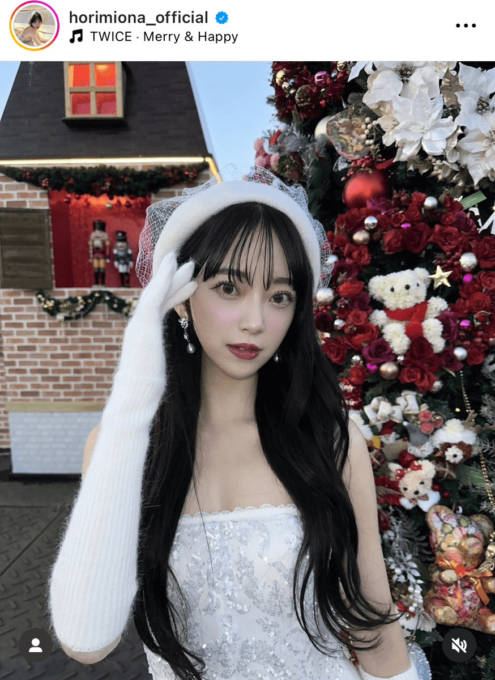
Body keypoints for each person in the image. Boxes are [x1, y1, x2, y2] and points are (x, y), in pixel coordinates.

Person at [48, 169, 429, 680]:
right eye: (229, 287)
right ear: (181, 296)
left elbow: (371, 622)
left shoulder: (329, 441)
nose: (255, 321)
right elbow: (86, 642)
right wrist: (132, 399)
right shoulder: (120, 449)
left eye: (279, 296)